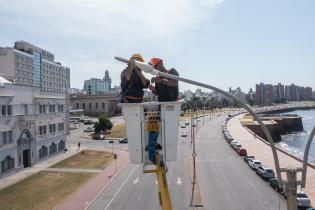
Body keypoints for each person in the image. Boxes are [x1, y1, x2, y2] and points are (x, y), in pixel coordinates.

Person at [147, 57, 179, 165]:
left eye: (156, 66)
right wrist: (153, 90)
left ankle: (168, 150)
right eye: (154, 67)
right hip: (161, 106)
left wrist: (160, 80)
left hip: (171, 107)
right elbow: (158, 93)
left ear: (161, 63)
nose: (155, 68)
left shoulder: (172, 71)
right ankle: (152, 152)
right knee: (152, 123)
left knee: (168, 130)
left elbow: (174, 83)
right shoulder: (158, 77)